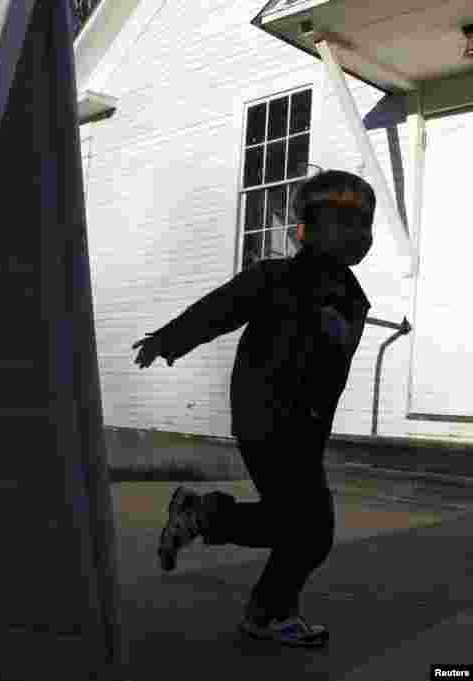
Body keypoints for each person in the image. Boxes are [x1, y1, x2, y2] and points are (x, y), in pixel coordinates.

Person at [131, 169, 375, 647]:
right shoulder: (276, 277)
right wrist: (170, 338)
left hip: (305, 427)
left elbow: (336, 360)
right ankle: (267, 612)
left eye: (362, 224)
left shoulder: (352, 297)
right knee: (310, 530)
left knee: (297, 526)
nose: (355, 234)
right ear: (305, 228)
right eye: (340, 222)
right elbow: (220, 308)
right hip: (266, 417)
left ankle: (202, 516)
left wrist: (336, 334)